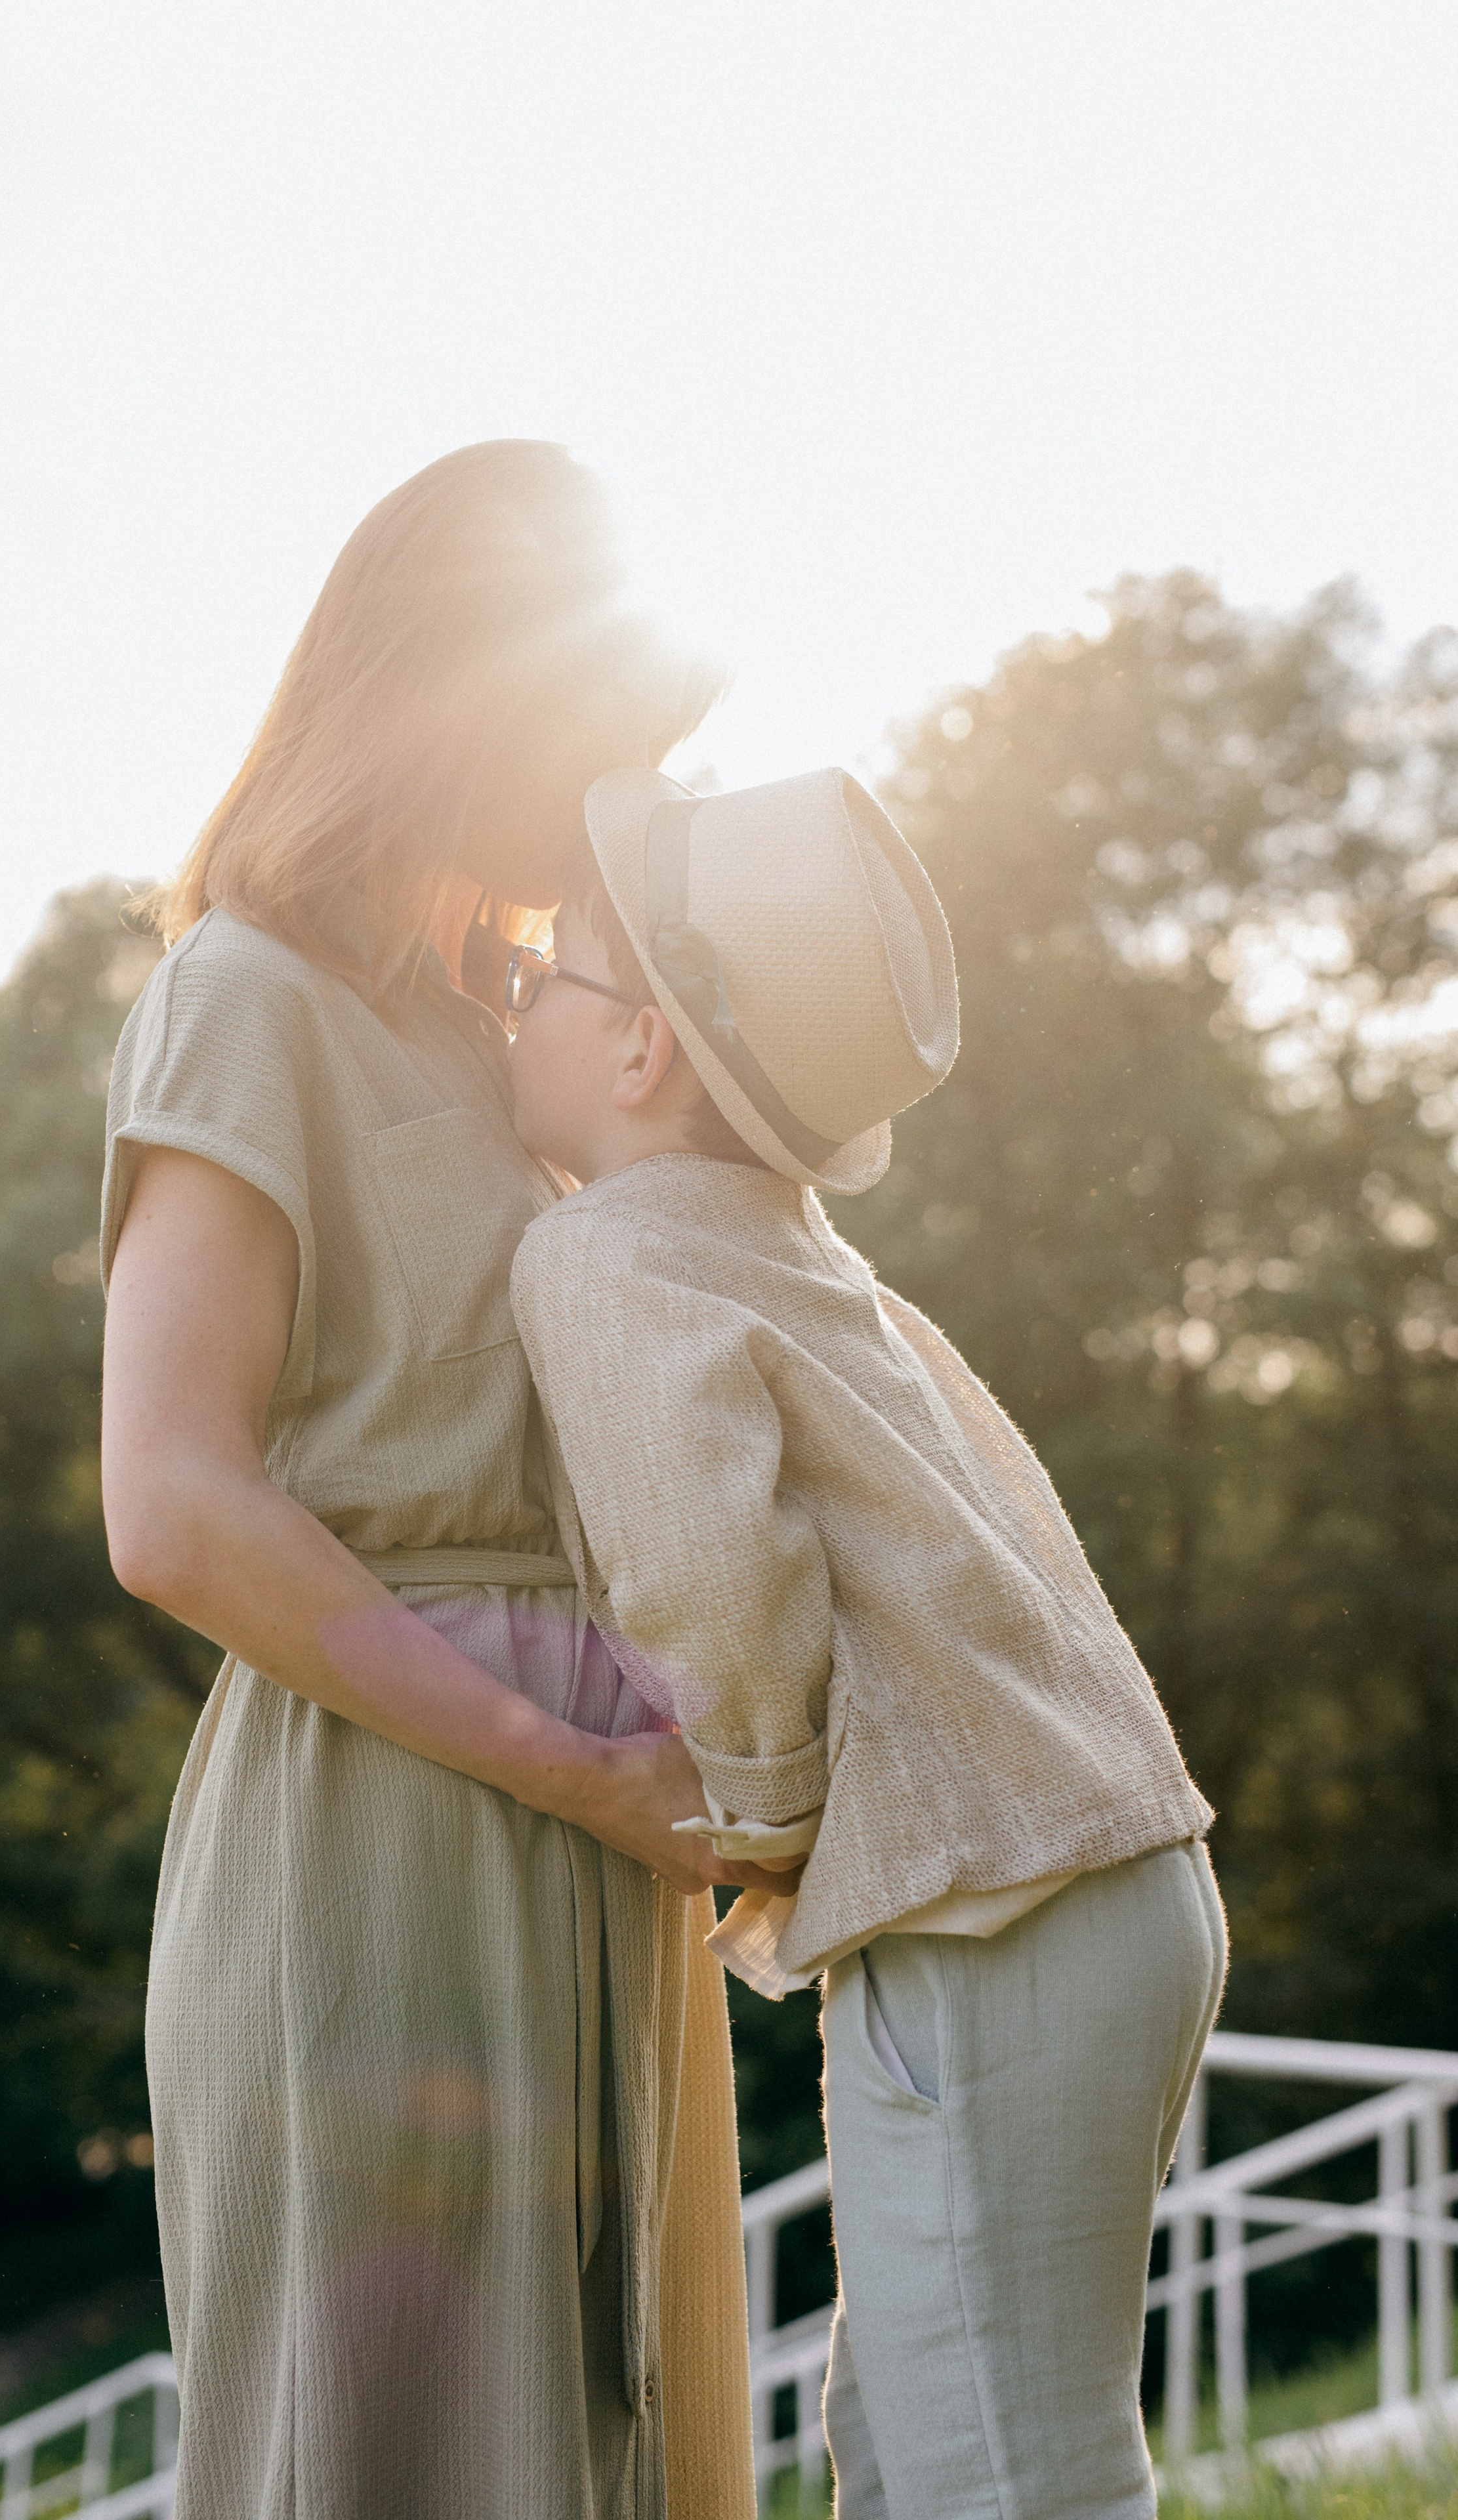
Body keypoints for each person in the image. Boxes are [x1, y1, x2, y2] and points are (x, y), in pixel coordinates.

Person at [98, 443, 768, 2520]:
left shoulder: (513, 1043)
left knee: (620, 2448)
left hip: (601, 1844)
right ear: (457, 696)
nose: (603, 806)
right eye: (588, 744)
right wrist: (548, 1759)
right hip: (384, 1839)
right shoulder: (244, 997)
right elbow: (174, 1502)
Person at [506, 763, 1230, 2520]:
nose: (509, 994)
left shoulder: (602, 1253)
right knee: (914, 2449)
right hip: (1109, 1889)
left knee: (1003, 2477)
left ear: (639, 1052)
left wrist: (753, 1816)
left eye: (544, 969)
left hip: (994, 1924)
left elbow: (704, 1572)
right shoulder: (790, 1242)